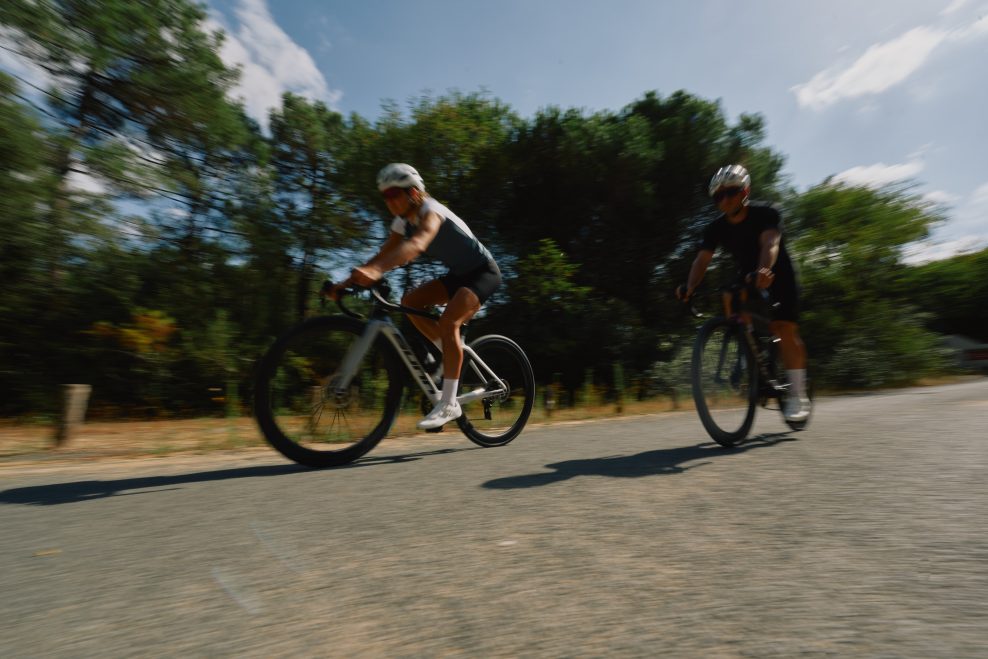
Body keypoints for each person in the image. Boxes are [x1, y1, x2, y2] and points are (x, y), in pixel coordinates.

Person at [328, 163, 502, 430]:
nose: (389, 201)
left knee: (449, 323)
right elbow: (383, 255)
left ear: (413, 193)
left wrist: (375, 270)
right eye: (385, 196)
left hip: (483, 273)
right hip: (458, 275)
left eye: (394, 194)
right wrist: (345, 282)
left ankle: (449, 403)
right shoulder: (401, 223)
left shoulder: (431, 211)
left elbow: (418, 244)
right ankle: (450, 351)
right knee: (409, 302)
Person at [677, 164, 810, 422]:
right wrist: (689, 287)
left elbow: (770, 243)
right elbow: (702, 260)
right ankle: (744, 350)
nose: (725, 199)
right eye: (718, 196)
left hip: (778, 273)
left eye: (731, 192)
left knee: (784, 329)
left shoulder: (765, 214)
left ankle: (797, 394)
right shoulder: (715, 228)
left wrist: (764, 270)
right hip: (748, 273)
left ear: (745, 191)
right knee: (729, 295)